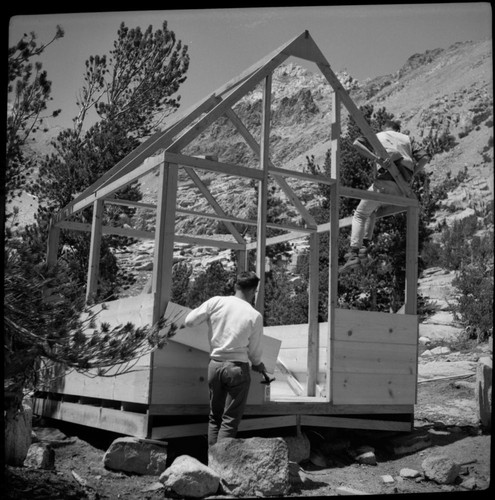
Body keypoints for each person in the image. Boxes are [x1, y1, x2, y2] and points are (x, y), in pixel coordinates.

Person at [184, 271, 266, 446]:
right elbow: (255, 351)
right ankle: (221, 463)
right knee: (230, 419)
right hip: (237, 368)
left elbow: (189, 321)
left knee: (215, 417)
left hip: (215, 366)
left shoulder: (216, 302)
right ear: (253, 291)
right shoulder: (254, 315)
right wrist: (258, 364)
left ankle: (212, 463)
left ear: (236, 286)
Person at [340, 120, 430, 272]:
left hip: (384, 182)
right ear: (398, 129)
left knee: (360, 214)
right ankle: (365, 247)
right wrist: (414, 173)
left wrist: (375, 159)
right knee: (372, 211)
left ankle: (354, 253)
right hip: (402, 189)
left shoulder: (378, 135)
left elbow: (356, 143)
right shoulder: (407, 139)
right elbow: (425, 157)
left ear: (385, 128)